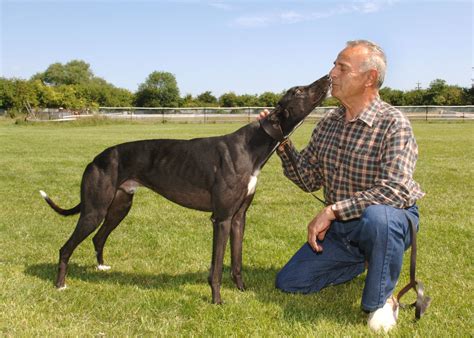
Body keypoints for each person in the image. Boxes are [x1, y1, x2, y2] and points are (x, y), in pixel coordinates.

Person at [262, 40, 424, 332]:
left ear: (369, 78)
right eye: (334, 65)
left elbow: (396, 190)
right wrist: (281, 143)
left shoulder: (393, 123)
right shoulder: (328, 122)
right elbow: (309, 178)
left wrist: (333, 210)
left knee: (378, 217)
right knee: (290, 282)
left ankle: (382, 301)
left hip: (389, 220)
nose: (332, 73)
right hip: (342, 230)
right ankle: (368, 260)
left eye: (341, 67)